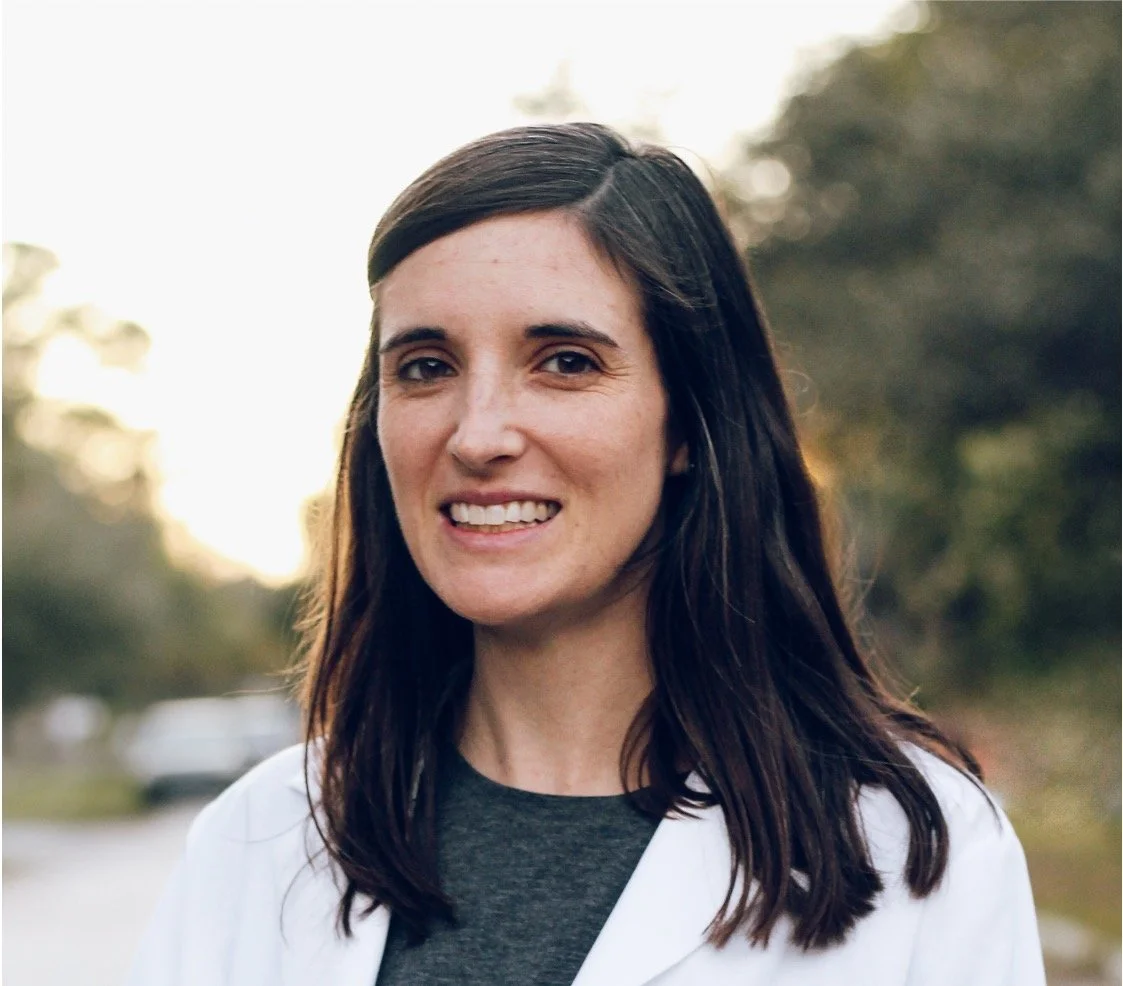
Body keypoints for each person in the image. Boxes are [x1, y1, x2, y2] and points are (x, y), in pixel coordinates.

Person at [128, 122, 1046, 986]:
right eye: (425, 367)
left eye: (564, 361)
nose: (477, 434)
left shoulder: (915, 849)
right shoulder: (256, 843)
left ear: (687, 423)